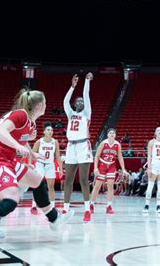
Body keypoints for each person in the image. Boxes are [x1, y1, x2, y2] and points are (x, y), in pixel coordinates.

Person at [0, 89, 72, 254]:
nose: (47, 105)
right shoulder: (20, 114)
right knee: (12, 199)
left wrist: (32, 153)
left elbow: (19, 138)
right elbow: (0, 131)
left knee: (36, 180)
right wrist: (18, 146)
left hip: (8, 160)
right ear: (40, 105)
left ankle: (54, 219)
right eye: (46, 103)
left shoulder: (30, 123)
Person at [63, 73, 94, 222]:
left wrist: (86, 81)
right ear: (75, 104)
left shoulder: (87, 113)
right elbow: (65, 101)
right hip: (71, 147)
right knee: (68, 180)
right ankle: (65, 208)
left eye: (82, 101)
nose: (81, 101)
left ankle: (87, 210)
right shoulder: (70, 113)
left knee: (83, 179)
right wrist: (72, 86)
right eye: (79, 101)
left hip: (83, 146)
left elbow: (86, 94)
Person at [90, 128, 128, 214]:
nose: (112, 134)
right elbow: (96, 156)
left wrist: (123, 169)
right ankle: (91, 204)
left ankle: (109, 206)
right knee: (97, 186)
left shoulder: (117, 144)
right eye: (110, 133)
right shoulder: (103, 143)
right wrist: (95, 168)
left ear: (115, 135)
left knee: (111, 186)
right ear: (107, 135)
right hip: (102, 165)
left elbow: (120, 157)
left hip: (112, 165)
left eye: (113, 133)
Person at [30, 124, 64, 214]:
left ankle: (52, 206)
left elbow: (57, 156)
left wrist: (60, 169)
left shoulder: (55, 142)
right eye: (48, 130)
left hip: (50, 165)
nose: (50, 132)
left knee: (51, 187)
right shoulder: (39, 142)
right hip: (40, 164)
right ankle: (33, 206)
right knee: (37, 185)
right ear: (44, 132)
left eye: (52, 130)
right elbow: (32, 153)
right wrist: (29, 164)